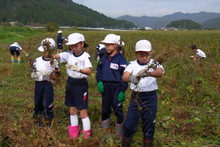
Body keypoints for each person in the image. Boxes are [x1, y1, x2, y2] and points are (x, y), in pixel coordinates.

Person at [121, 40, 164, 147]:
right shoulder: (132, 64)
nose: (144, 57)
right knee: (129, 124)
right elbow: (124, 77)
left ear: (150, 53)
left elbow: (160, 73)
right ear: (136, 54)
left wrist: (147, 73)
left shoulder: (154, 63)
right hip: (136, 97)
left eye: (146, 55)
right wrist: (133, 77)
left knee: (149, 124)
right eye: (141, 55)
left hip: (150, 97)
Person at [53, 33, 92, 139]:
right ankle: (73, 133)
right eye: (71, 46)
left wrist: (78, 69)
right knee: (72, 109)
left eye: (76, 46)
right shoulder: (68, 54)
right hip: (70, 83)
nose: (73, 48)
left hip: (81, 84)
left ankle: (86, 135)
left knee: (82, 110)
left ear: (82, 44)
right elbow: (57, 56)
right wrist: (51, 56)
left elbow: (89, 71)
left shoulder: (85, 56)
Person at [96, 34, 128, 137]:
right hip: (105, 86)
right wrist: (99, 81)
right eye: (106, 45)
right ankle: (105, 132)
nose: (107, 47)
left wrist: (123, 90)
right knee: (105, 108)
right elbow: (99, 70)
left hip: (116, 87)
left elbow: (125, 74)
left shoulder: (121, 59)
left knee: (117, 108)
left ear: (115, 45)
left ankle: (119, 133)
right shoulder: (104, 58)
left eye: (109, 45)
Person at [31, 38, 59, 128]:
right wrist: (35, 74)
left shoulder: (53, 62)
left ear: (52, 50)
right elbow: (33, 72)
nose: (45, 53)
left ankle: (49, 117)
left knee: (48, 102)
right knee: (38, 101)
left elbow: (56, 76)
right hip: (38, 84)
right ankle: (38, 117)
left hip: (48, 85)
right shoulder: (37, 60)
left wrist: (50, 75)